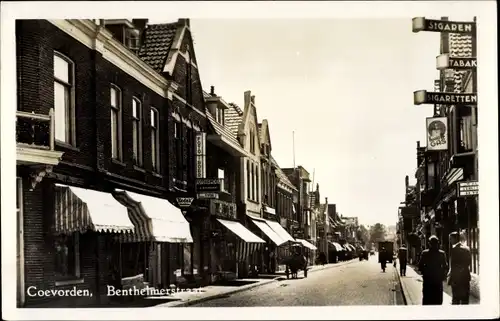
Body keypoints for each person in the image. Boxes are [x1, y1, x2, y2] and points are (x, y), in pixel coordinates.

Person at [418, 235, 448, 305]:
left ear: (429, 243)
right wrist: (442, 276)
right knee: (438, 299)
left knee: (427, 299)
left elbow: (420, 266)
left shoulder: (425, 253)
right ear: (438, 243)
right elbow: (445, 266)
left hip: (427, 280)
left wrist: (424, 273)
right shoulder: (442, 253)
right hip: (438, 281)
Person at [448, 232, 472, 305]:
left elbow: (453, 266)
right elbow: (469, 262)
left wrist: (451, 279)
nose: (450, 241)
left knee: (456, 300)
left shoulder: (454, 249)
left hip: (457, 279)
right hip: (465, 277)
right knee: (465, 300)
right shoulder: (467, 248)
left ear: (455, 239)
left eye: (451, 239)